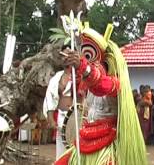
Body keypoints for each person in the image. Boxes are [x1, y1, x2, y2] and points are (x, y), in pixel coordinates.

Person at [54, 22, 147, 165]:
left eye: (95, 63)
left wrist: (82, 67)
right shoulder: (87, 83)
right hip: (84, 141)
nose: (93, 66)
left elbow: (100, 85)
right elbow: (82, 89)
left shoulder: (115, 84)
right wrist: (75, 66)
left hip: (107, 145)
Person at [43, 45, 79, 159]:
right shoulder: (56, 78)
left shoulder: (79, 75)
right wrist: (51, 118)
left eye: (67, 55)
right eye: (62, 55)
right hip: (61, 119)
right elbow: (49, 99)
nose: (64, 58)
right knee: (61, 153)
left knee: (77, 152)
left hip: (77, 119)